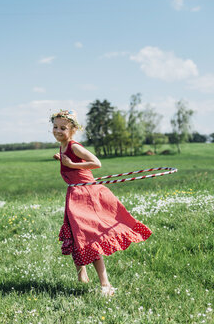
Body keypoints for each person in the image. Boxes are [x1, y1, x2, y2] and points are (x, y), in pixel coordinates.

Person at [51, 110, 152, 296]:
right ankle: (82, 276)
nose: (57, 130)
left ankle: (106, 285)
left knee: (89, 237)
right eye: (55, 126)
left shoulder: (74, 146)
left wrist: (72, 165)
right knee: (74, 234)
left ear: (73, 130)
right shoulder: (63, 146)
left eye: (63, 128)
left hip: (86, 195)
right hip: (74, 193)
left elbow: (96, 163)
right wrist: (62, 160)